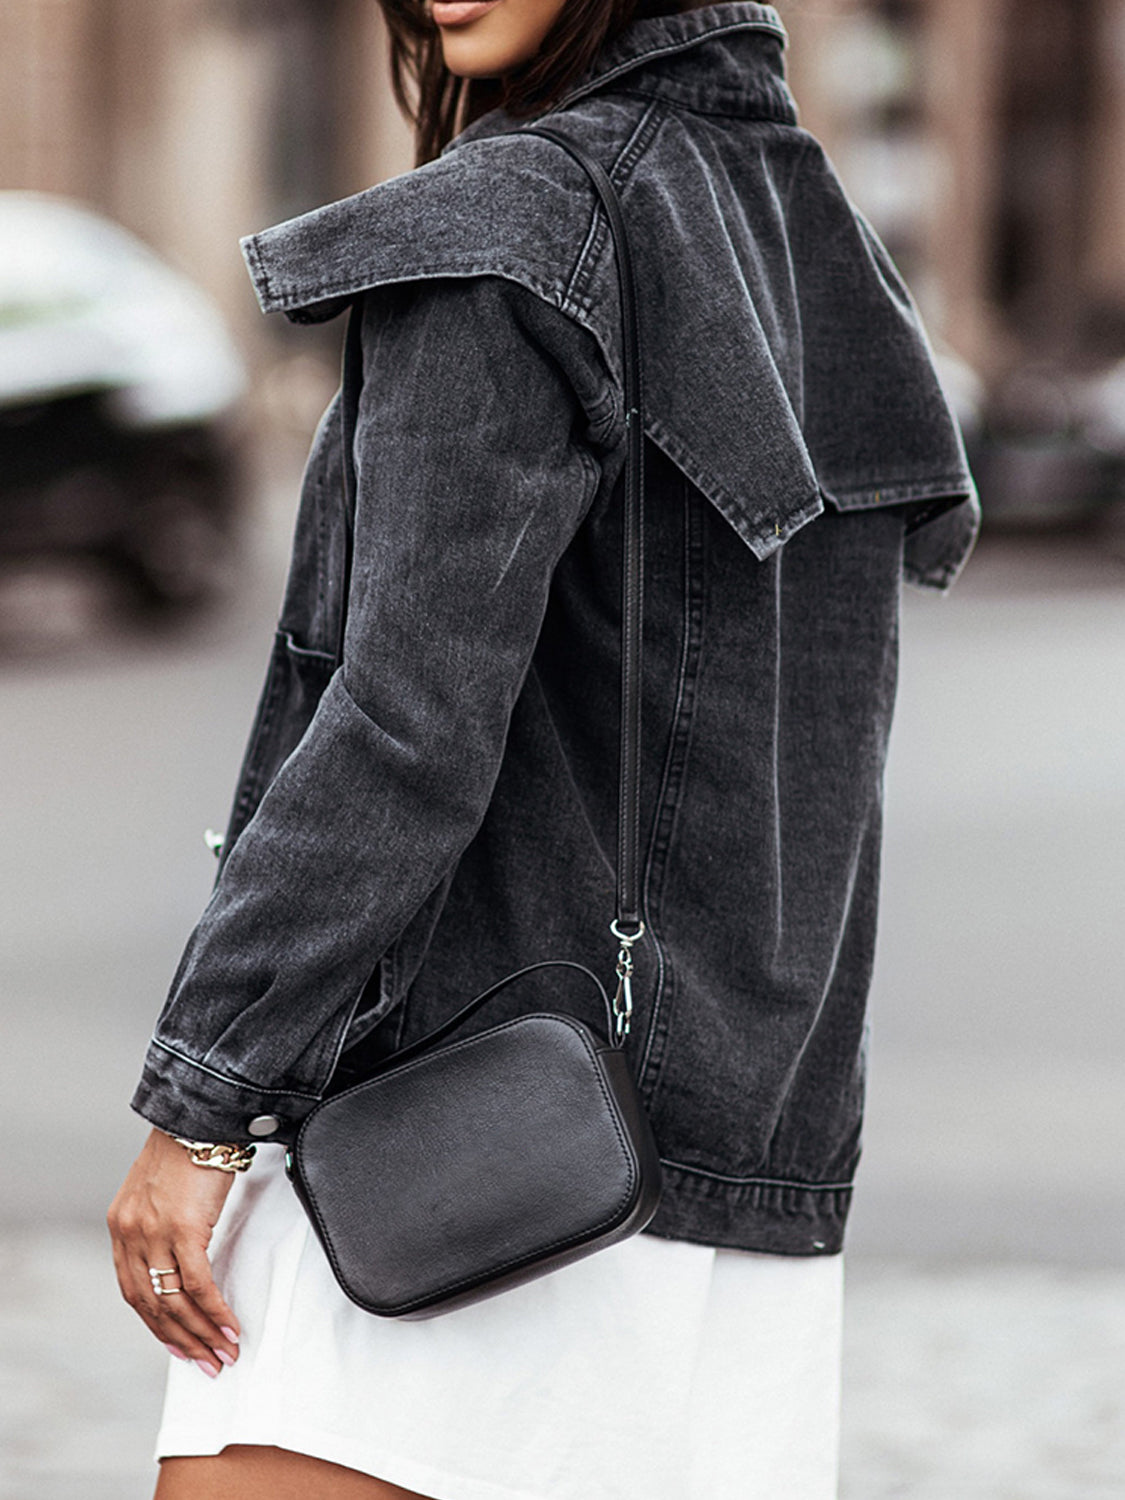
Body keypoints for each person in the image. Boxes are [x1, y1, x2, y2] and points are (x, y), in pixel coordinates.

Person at [108, 2, 980, 1497]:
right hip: (727, 1190)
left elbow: (403, 728)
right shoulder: (811, 232)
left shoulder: (516, 221)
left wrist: (202, 1109)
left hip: (460, 1155)